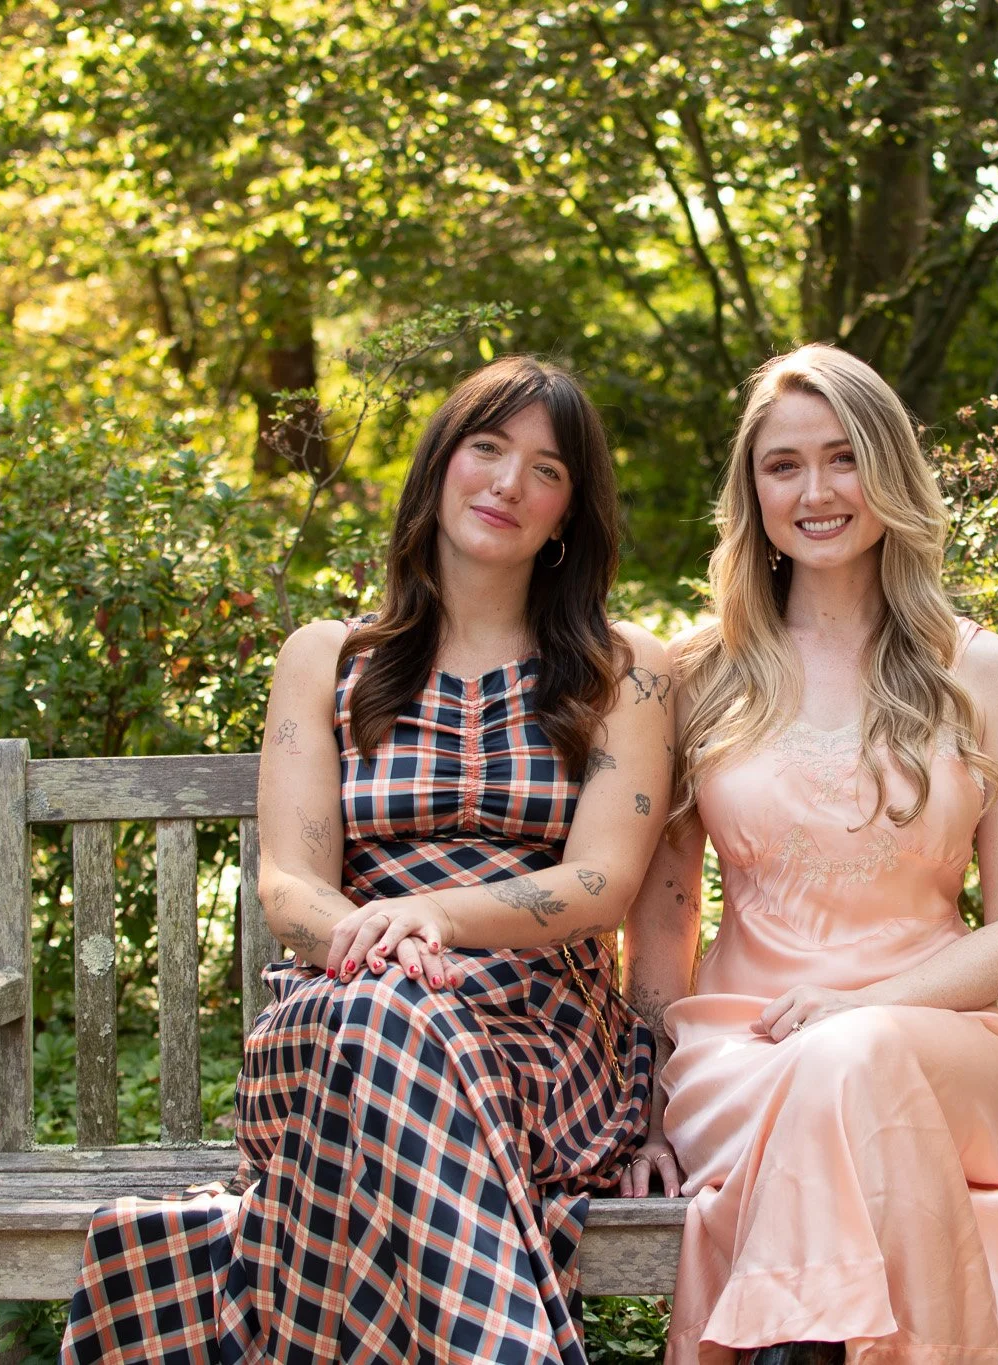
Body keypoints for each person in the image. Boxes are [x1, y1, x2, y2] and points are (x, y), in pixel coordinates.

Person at [61, 355, 673, 1364]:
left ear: (568, 512)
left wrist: (436, 919)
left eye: (545, 469)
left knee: (384, 1039)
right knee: (380, 1014)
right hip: (335, 1007)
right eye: (485, 449)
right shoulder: (329, 658)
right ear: (437, 467)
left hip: (537, 1038)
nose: (507, 484)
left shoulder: (624, 668)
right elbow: (288, 886)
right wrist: (375, 943)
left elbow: (597, 886)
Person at [616, 345, 998, 1365]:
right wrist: (639, 1112)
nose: (814, 491)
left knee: (852, 1057)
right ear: (752, 489)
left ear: (888, 471)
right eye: (783, 466)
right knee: (829, 1075)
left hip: (940, 1048)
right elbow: (664, 914)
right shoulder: (698, 674)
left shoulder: (979, 670)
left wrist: (863, 1006)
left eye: (841, 458)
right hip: (743, 1053)